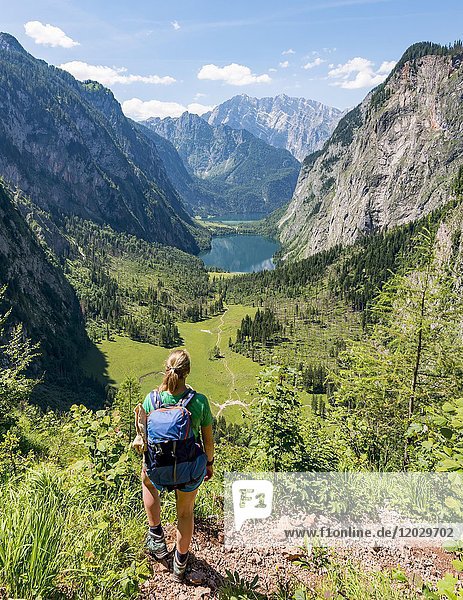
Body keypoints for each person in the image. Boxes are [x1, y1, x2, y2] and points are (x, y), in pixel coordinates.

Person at [141, 349, 214, 582]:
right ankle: (180, 563)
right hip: (189, 469)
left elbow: (144, 441)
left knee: (147, 482)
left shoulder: (151, 400)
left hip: (159, 469)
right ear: (187, 373)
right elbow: (208, 440)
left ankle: (157, 538)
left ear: (166, 370)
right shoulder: (199, 402)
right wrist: (209, 464)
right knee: (185, 512)